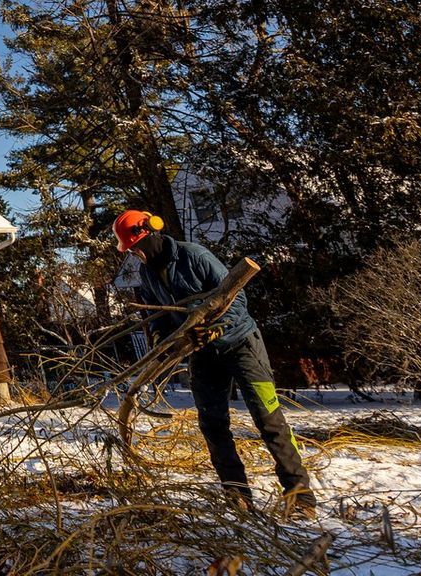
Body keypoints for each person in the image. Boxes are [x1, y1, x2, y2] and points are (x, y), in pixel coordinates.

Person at [114, 208, 317, 517]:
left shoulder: (194, 256)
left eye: (138, 247)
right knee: (212, 425)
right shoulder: (147, 275)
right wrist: (162, 342)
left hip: (242, 344)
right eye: (132, 251)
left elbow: (237, 299)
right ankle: (237, 495)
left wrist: (215, 328)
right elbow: (162, 317)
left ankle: (300, 497)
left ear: (153, 233)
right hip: (202, 355)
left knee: (269, 419)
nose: (137, 255)